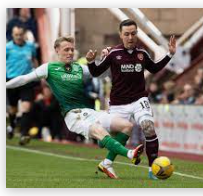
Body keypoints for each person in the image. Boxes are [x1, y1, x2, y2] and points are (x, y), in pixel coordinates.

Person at [6, 36, 144, 179]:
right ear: (57, 50)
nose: (70, 53)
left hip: (89, 112)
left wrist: (105, 60)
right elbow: (24, 79)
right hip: (73, 116)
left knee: (127, 126)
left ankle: (107, 163)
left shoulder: (79, 68)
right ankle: (130, 153)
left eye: (72, 49)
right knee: (99, 131)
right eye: (66, 50)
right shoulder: (49, 68)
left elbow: (102, 75)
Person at [86, 19, 176, 179]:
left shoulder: (142, 54)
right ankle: (106, 160)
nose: (130, 37)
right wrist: (91, 61)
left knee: (148, 128)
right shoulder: (113, 54)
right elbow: (96, 72)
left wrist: (170, 54)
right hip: (118, 103)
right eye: (126, 34)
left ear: (137, 34)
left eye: (133, 33)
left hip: (139, 100)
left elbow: (154, 68)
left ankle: (153, 169)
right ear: (121, 35)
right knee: (111, 138)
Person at [6, 24, 38, 145]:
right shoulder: (7, 48)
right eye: (16, 35)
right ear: (13, 35)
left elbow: (34, 59)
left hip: (26, 80)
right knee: (13, 109)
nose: (18, 37)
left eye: (20, 34)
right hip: (12, 80)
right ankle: (12, 125)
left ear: (24, 34)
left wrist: (37, 72)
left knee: (26, 107)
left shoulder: (30, 46)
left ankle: (24, 134)